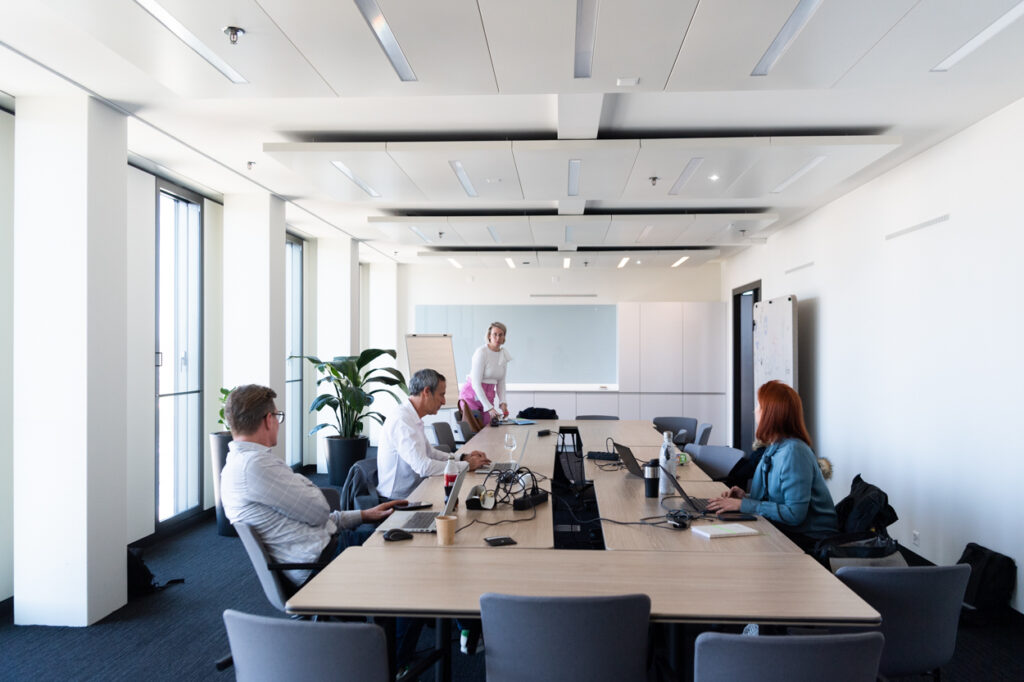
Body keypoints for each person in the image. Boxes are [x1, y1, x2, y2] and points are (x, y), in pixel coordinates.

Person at [220, 384, 404, 583]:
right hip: (324, 563)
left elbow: (310, 520)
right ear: (268, 420)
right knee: (410, 558)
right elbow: (319, 512)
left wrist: (363, 515)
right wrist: (302, 482)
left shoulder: (238, 465)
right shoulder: (256, 466)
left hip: (323, 552)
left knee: (406, 541)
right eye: (277, 415)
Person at [706, 380, 838, 551]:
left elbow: (794, 515)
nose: (755, 411)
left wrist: (743, 506)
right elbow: (776, 499)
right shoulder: (775, 448)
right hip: (786, 530)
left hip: (807, 538)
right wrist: (744, 498)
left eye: (759, 406)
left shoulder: (794, 453)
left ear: (771, 414)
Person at [378, 368, 491, 499]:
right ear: (426, 391)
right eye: (441, 395)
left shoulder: (412, 416)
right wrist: (467, 465)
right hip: (399, 500)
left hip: (417, 490)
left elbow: (430, 453)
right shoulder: (402, 421)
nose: (443, 401)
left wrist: (463, 457)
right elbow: (423, 467)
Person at [459, 321, 511, 426]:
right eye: (495, 334)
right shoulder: (481, 352)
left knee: (489, 428)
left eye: (500, 335)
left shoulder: (503, 355)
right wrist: (489, 408)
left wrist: (503, 402)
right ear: (489, 336)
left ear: (504, 337)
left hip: (488, 395)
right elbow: (476, 384)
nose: (497, 338)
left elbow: (501, 382)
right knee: (475, 431)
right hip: (472, 395)